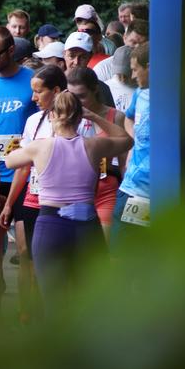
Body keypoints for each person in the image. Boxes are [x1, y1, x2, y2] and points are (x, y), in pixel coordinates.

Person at [5, 91, 132, 314]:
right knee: (90, 301)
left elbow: (9, 161)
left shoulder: (40, 146)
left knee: (54, 303)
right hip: (86, 226)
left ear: (52, 115)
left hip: (51, 224)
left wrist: (25, 146)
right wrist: (96, 117)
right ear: (79, 117)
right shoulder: (93, 145)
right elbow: (127, 140)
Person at [0, 65, 95, 324]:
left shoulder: (83, 124)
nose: (33, 98)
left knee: (71, 269)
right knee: (28, 256)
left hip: (67, 205)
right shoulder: (33, 121)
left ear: (56, 91)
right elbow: (21, 165)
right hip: (33, 198)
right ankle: (31, 313)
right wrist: (9, 204)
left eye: (38, 92)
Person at [0, 25, 38, 324]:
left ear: (11, 50)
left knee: (26, 250)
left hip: (26, 175)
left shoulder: (31, 82)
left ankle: (26, 309)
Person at [67, 68, 127, 238]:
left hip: (105, 189)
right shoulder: (66, 116)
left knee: (103, 252)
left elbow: (123, 161)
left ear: (95, 90)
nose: (77, 102)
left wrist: (93, 117)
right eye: (72, 96)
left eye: (82, 96)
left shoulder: (115, 116)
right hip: (74, 190)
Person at [110, 43, 150, 254]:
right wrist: (135, 140)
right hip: (133, 188)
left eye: (135, 69)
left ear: (150, 67)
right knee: (120, 257)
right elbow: (128, 117)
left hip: (161, 194)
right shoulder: (140, 94)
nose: (132, 76)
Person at [63, 32, 115, 107]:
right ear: (64, 54)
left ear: (90, 57)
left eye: (83, 57)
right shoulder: (54, 84)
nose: (76, 62)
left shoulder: (102, 88)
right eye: (72, 56)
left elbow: (110, 115)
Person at [103, 46, 136, 112]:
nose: (123, 79)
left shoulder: (143, 89)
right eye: (119, 74)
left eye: (126, 75)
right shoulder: (105, 87)